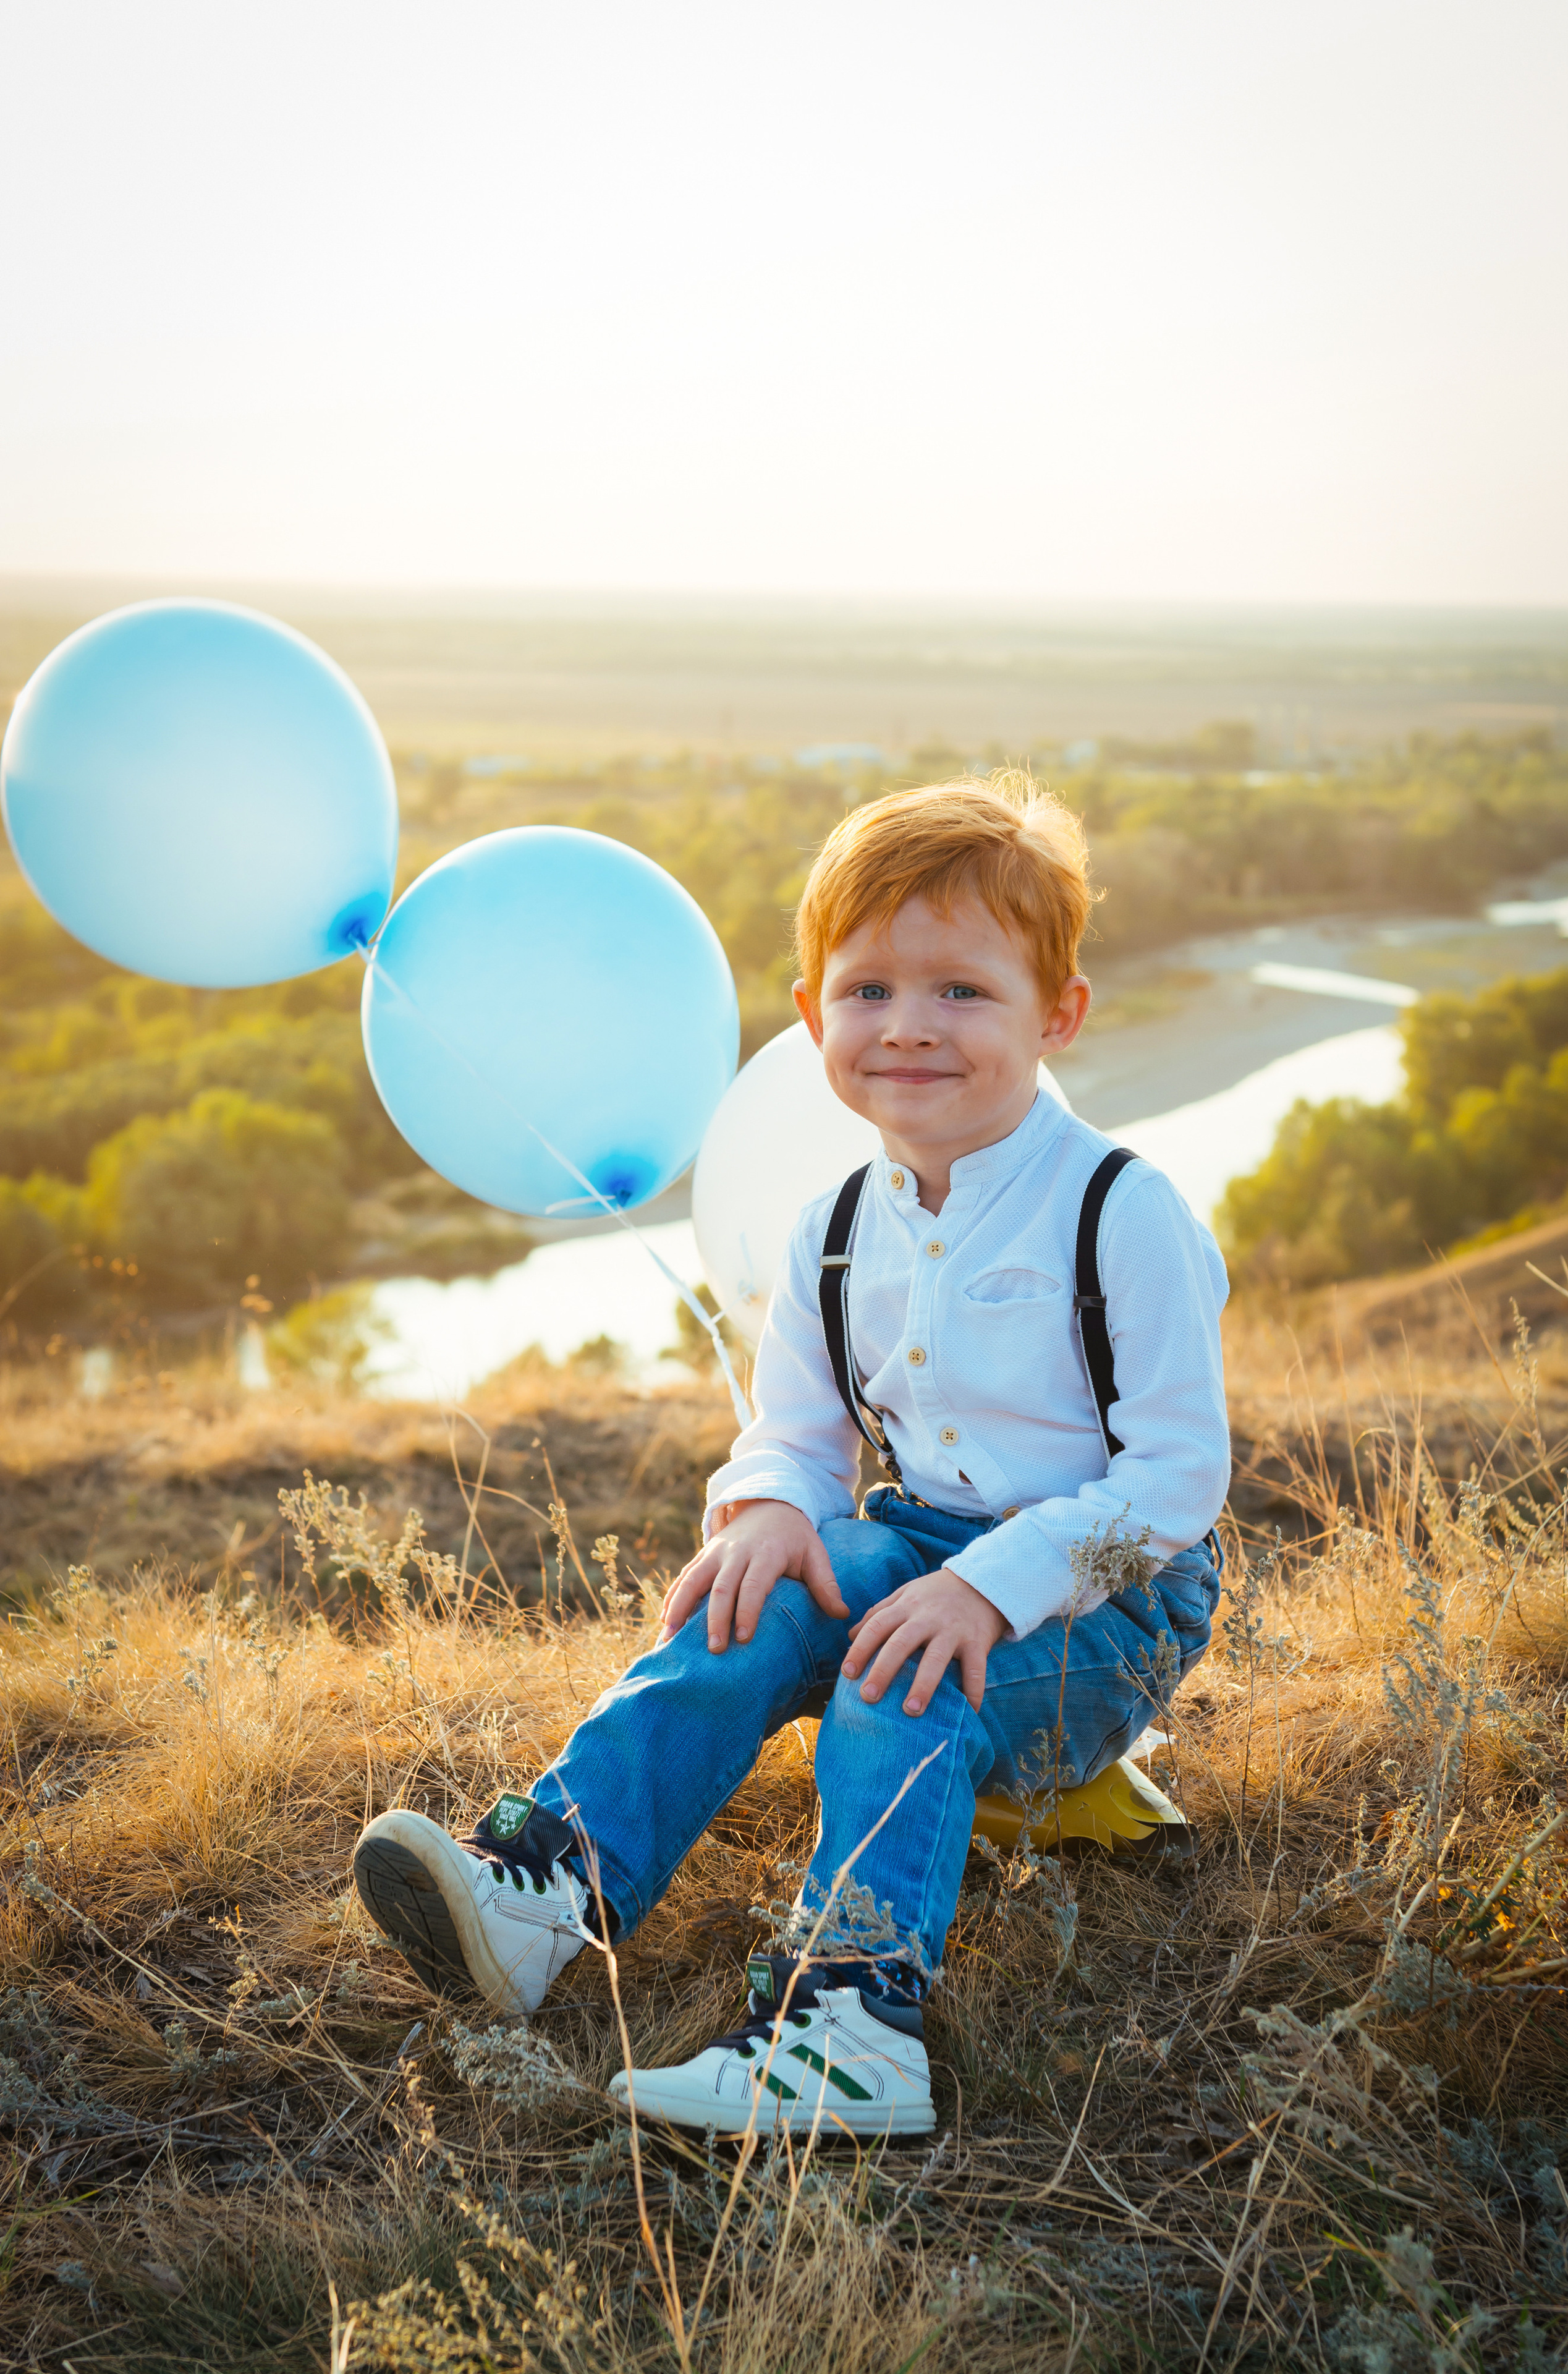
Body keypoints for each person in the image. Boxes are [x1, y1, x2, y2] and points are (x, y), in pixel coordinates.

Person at [352, 770, 1231, 2137]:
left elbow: (1175, 1480)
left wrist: (986, 1591)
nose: (907, 1028)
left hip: (1110, 1603)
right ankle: (548, 1894)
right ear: (814, 1016)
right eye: (868, 991)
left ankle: (850, 2026)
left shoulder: (1119, 1210)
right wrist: (767, 1507)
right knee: (752, 1595)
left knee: (903, 1667)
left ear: (1054, 1015)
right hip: (919, 1539)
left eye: (960, 993)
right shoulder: (828, 1228)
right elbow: (797, 1430)